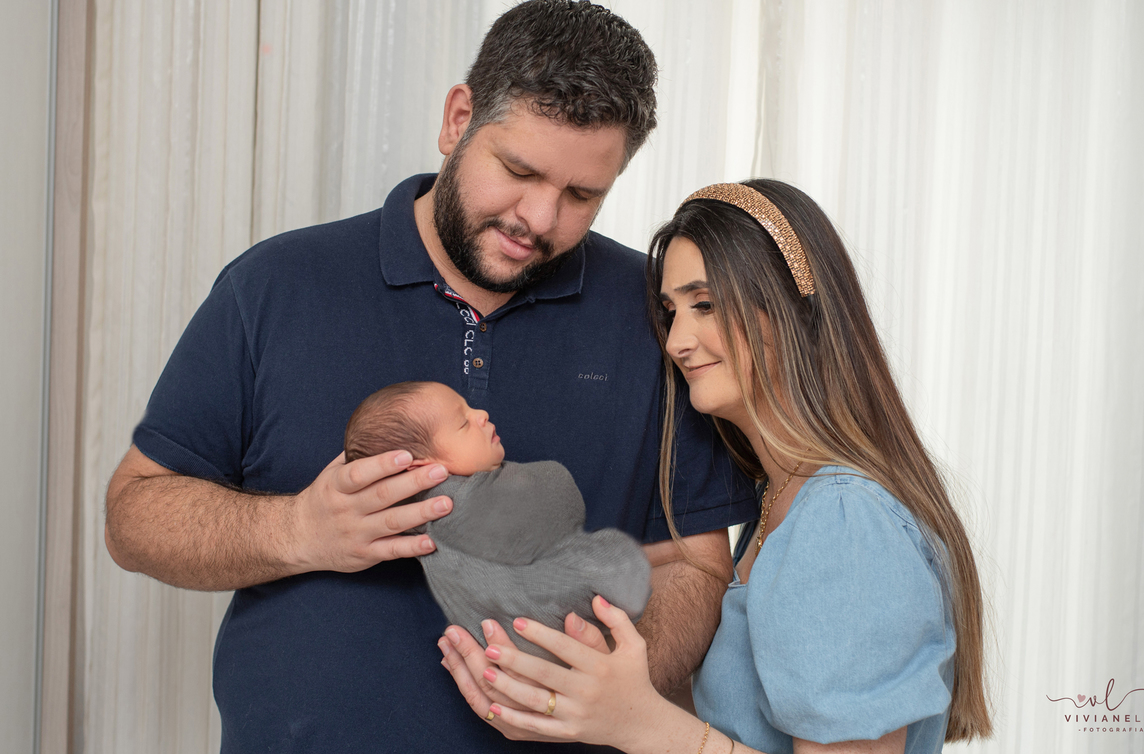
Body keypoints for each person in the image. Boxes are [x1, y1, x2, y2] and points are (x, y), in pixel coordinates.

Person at [102, 1, 756, 751]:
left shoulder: (659, 316)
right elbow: (135, 513)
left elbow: (693, 564)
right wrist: (297, 530)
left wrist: (607, 692)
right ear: (458, 120)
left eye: (582, 195)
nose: (539, 219)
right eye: (519, 171)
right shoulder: (277, 286)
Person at [450, 180, 993, 753]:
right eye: (671, 312)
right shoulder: (783, 502)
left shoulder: (843, 519)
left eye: (705, 305)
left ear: (792, 309)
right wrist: (581, 694)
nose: (677, 341)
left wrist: (634, 721)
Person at [344, 381, 652, 662]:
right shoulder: (457, 504)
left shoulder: (414, 520)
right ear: (422, 470)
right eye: (463, 422)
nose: (481, 414)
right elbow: (561, 496)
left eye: (470, 408)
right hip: (553, 619)